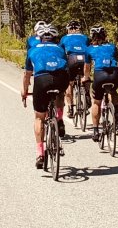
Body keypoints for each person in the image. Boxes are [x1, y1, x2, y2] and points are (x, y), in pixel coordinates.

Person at [21, 25, 69, 169]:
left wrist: (24, 91)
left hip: (41, 81)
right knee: (60, 93)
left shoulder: (32, 50)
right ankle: (59, 119)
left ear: (40, 38)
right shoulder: (60, 49)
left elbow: (27, 75)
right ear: (54, 38)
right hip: (61, 79)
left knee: (39, 117)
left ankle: (40, 154)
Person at [85, 25, 118, 140]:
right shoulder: (112, 46)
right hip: (114, 74)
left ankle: (95, 131)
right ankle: (116, 110)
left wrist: (86, 78)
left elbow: (87, 68)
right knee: (113, 91)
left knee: (96, 102)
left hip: (100, 75)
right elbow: (116, 60)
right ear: (105, 35)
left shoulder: (89, 49)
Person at [60, 20, 90, 124]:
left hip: (72, 59)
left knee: (69, 82)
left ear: (68, 29)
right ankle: (87, 94)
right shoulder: (85, 37)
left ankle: (70, 108)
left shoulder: (64, 38)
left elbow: (60, 52)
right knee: (86, 76)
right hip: (84, 59)